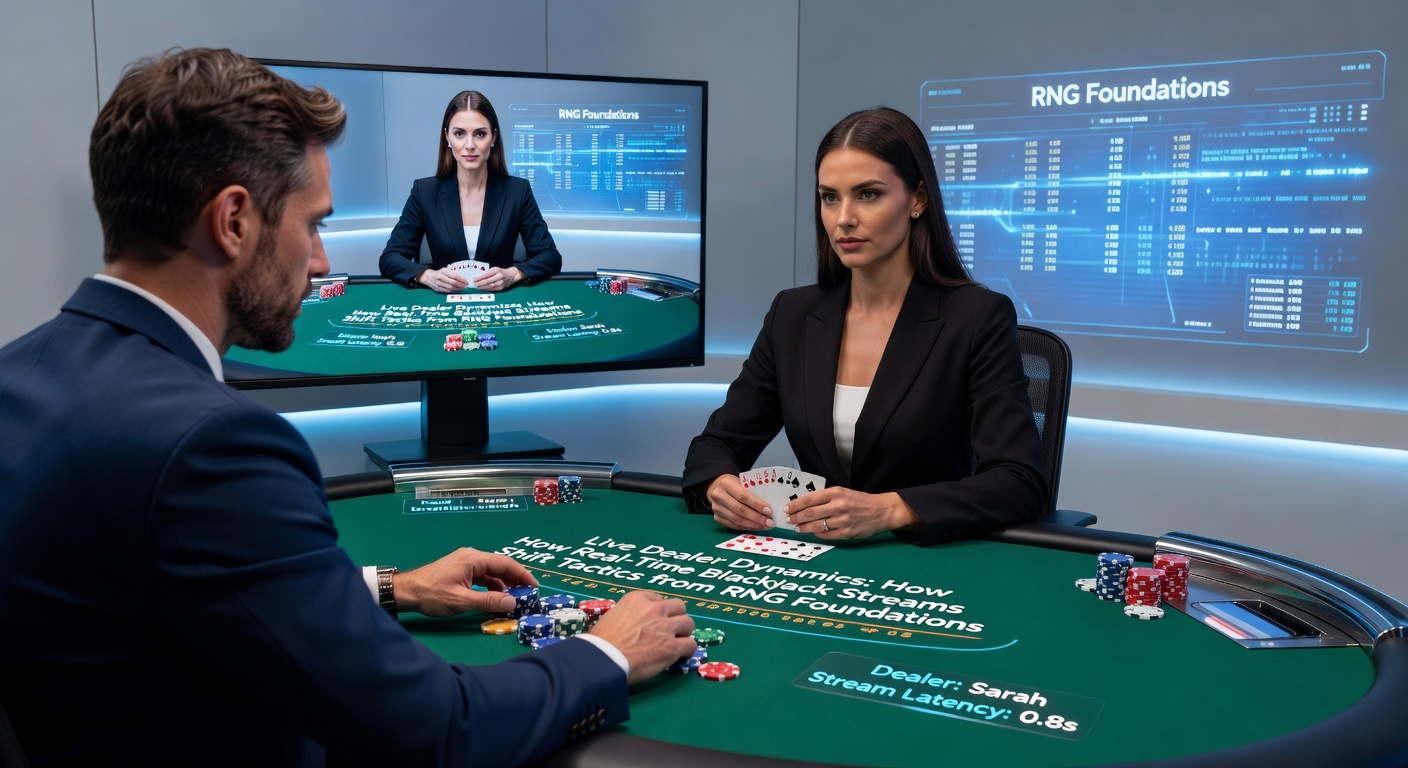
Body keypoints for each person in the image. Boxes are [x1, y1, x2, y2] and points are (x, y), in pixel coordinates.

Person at [0, 48, 695, 767]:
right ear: (233, 221)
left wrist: (395, 586)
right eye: (313, 224)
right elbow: (439, 730)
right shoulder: (214, 444)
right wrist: (606, 654)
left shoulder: (15, 376)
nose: (325, 261)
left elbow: (160, 591)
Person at [683, 107, 1047, 547]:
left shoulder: (977, 316)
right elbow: (716, 443)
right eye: (829, 197)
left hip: (925, 564)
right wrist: (717, 485)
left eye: (868, 194)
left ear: (918, 199)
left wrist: (890, 509)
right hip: (815, 559)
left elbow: (1019, 481)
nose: (843, 219)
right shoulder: (792, 314)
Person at [379, 90, 561, 293]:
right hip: (443, 307)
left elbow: (550, 256)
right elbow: (390, 258)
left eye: (480, 134)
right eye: (459, 134)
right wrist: (427, 276)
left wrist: (513, 274)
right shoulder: (424, 192)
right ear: (447, 137)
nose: (470, 145)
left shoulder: (518, 191)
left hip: (500, 306)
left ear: (493, 137)